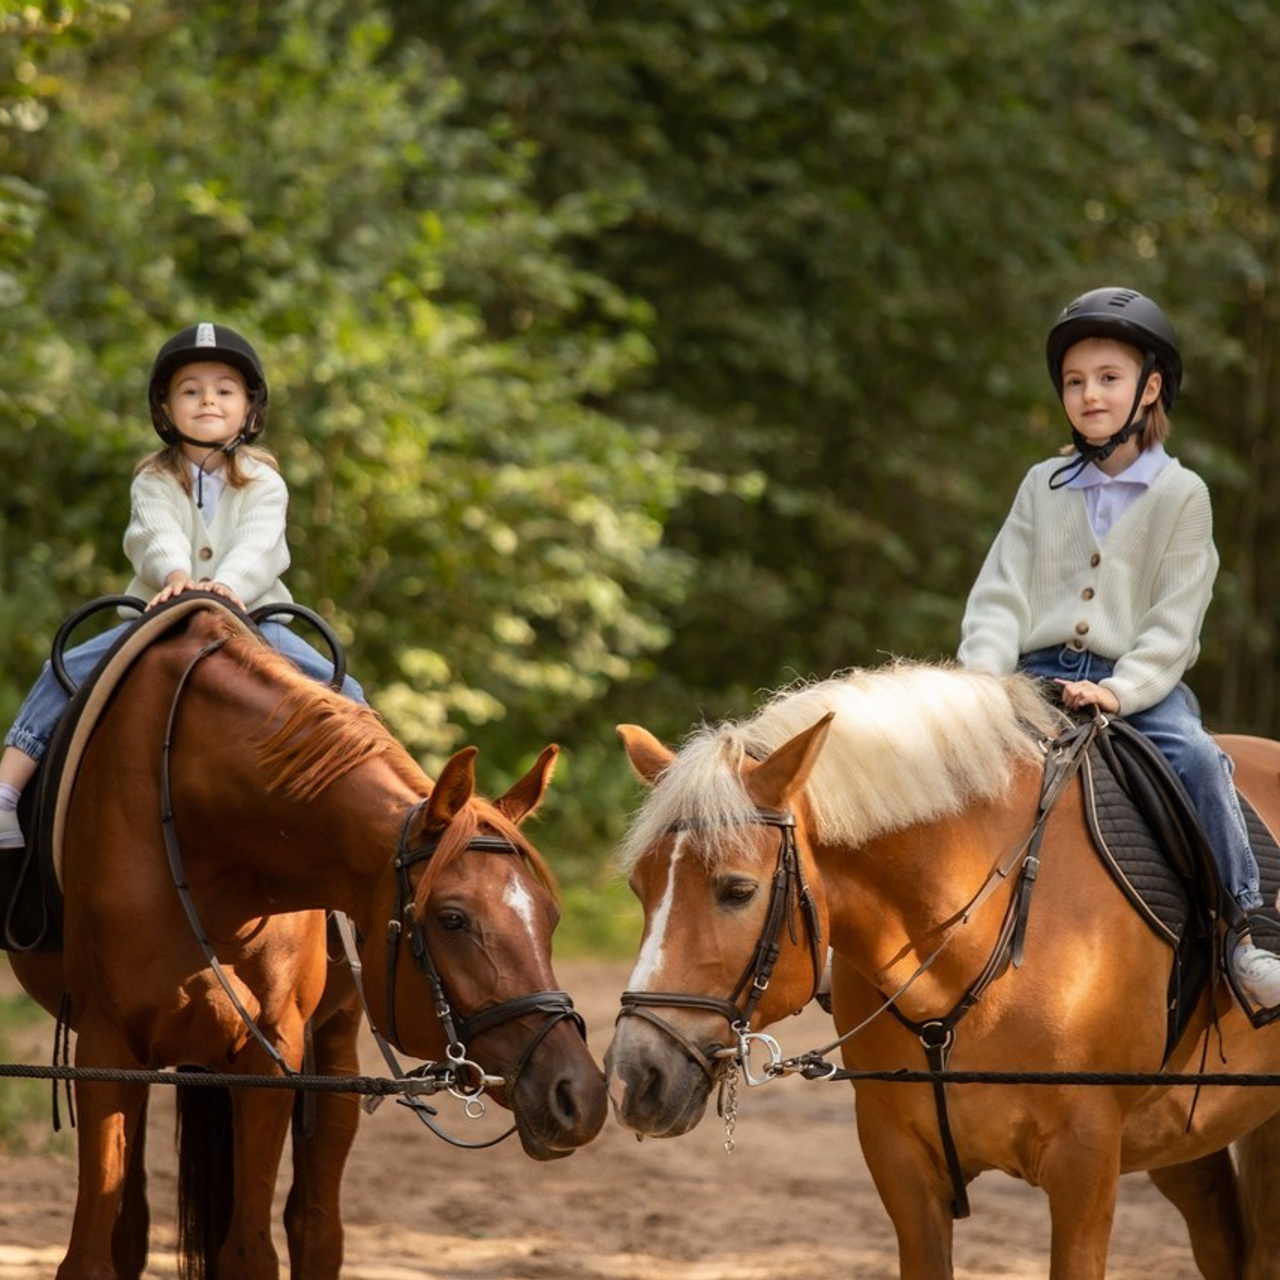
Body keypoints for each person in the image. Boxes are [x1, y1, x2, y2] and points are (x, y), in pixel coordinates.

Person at [958, 285, 1280, 1010]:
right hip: (1031, 676)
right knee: (942, 757)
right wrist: (979, 679)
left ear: (1150, 386)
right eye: (1075, 382)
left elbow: (1176, 619)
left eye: (1108, 378)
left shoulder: (1182, 495)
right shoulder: (1042, 484)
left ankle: (1244, 931)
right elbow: (1001, 594)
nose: (1089, 394)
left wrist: (1123, 689)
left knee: (1197, 759)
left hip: (1141, 685)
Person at [0, 321, 365, 850]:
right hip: (164, 614)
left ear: (249, 409)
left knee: (343, 690)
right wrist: (177, 578)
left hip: (254, 619)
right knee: (65, 670)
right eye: (190, 391)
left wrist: (227, 588)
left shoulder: (264, 481)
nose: (208, 401)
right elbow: (153, 534)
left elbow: (260, 544)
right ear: (166, 409)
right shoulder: (153, 478)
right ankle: (8, 789)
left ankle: (372, 812)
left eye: (224, 390)